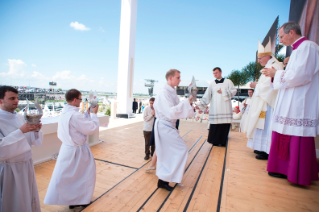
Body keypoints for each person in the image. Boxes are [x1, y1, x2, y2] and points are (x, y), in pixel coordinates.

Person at [262, 22, 319, 185]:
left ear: (291, 32)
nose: (280, 40)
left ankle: (297, 173)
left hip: (300, 102)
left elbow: (302, 76)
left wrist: (277, 73)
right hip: (290, 100)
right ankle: (284, 169)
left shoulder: (308, 47)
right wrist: (274, 75)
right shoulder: (297, 50)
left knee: (296, 134)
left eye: (281, 36)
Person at [44, 89, 100, 209]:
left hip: (66, 149)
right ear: (75, 100)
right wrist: (94, 114)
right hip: (79, 151)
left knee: (69, 177)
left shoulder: (65, 112)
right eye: (80, 99)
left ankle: (72, 200)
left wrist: (87, 113)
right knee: (84, 175)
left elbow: (76, 124)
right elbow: (91, 128)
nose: (80, 101)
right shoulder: (75, 115)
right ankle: (82, 200)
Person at [0, 86, 43, 212]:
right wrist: (20, 131)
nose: (16, 101)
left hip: (26, 166)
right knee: (14, 203)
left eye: (17, 98)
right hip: (10, 170)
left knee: (28, 199)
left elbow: (31, 141)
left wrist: (35, 130)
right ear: (0, 100)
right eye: (12, 98)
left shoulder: (20, 116)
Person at [154, 69, 194, 191]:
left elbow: (176, 108)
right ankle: (166, 178)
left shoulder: (172, 92)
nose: (180, 79)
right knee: (181, 149)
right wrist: (186, 103)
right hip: (164, 126)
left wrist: (188, 103)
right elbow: (171, 112)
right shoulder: (163, 93)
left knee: (167, 153)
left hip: (169, 126)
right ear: (170, 78)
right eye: (178, 77)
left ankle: (163, 181)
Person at [244, 38, 284, 160]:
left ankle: (267, 150)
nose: (259, 61)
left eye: (260, 58)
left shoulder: (275, 66)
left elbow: (270, 86)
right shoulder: (269, 66)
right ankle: (262, 147)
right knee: (261, 125)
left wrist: (256, 86)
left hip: (268, 103)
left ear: (267, 56)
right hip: (263, 101)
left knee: (266, 125)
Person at [196, 67, 237, 146]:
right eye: (214, 73)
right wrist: (200, 105)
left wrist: (223, 91)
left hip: (225, 108)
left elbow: (234, 91)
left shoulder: (228, 81)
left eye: (216, 73)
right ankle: (214, 141)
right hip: (215, 108)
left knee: (224, 126)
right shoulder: (212, 83)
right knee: (215, 125)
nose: (215, 74)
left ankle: (222, 142)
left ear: (221, 72)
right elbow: (207, 95)